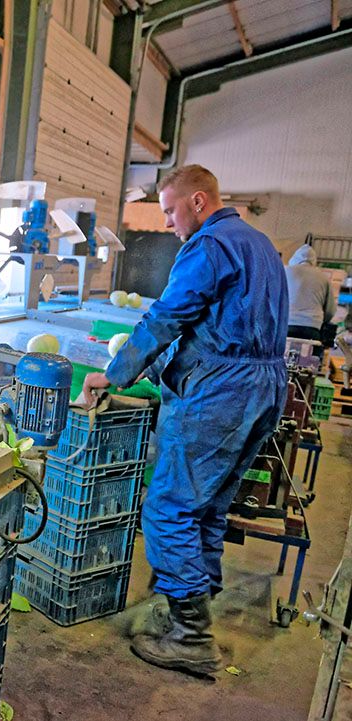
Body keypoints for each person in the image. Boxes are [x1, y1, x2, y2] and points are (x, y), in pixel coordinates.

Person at [82, 165, 288, 675]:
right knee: (209, 507)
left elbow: (169, 315)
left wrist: (116, 372)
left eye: (171, 211)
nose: (169, 224)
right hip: (264, 387)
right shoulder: (260, 245)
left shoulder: (210, 246)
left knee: (169, 508)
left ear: (198, 201)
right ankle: (192, 611)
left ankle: (191, 636)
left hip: (221, 392)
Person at [285, 243, 335, 343]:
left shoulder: (285, 271)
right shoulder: (324, 277)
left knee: (280, 356)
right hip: (312, 327)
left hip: (286, 324)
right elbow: (330, 311)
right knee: (309, 357)